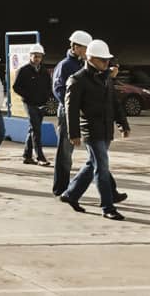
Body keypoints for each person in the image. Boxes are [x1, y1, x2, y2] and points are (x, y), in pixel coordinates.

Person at [60, 38, 129, 219]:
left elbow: (114, 102)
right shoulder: (77, 80)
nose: (107, 64)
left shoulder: (105, 78)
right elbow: (71, 109)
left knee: (93, 165)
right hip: (91, 131)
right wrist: (73, 133)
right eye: (103, 60)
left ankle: (71, 194)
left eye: (108, 61)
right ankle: (108, 207)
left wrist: (123, 123)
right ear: (90, 58)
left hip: (106, 130)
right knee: (102, 168)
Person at [50, 30, 90, 197]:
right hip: (67, 112)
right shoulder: (65, 65)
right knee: (65, 152)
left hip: (80, 112)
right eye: (85, 47)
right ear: (75, 47)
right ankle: (61, 188)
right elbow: (58, 89)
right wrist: (71, 107)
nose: (87, 51)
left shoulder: (82, 64)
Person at [14, 44, 52, 166]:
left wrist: (46, 99)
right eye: (35, 56)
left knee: (33, 129)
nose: (37, 59)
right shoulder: (23, 70)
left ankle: (27, 155)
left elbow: (48, 87)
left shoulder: (44, 71)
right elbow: (16, 87)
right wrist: (27, 96)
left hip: (40, 104)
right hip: (29, 103)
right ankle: (39, 157)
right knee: (36, 130)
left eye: (39, 57)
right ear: (30, 56)